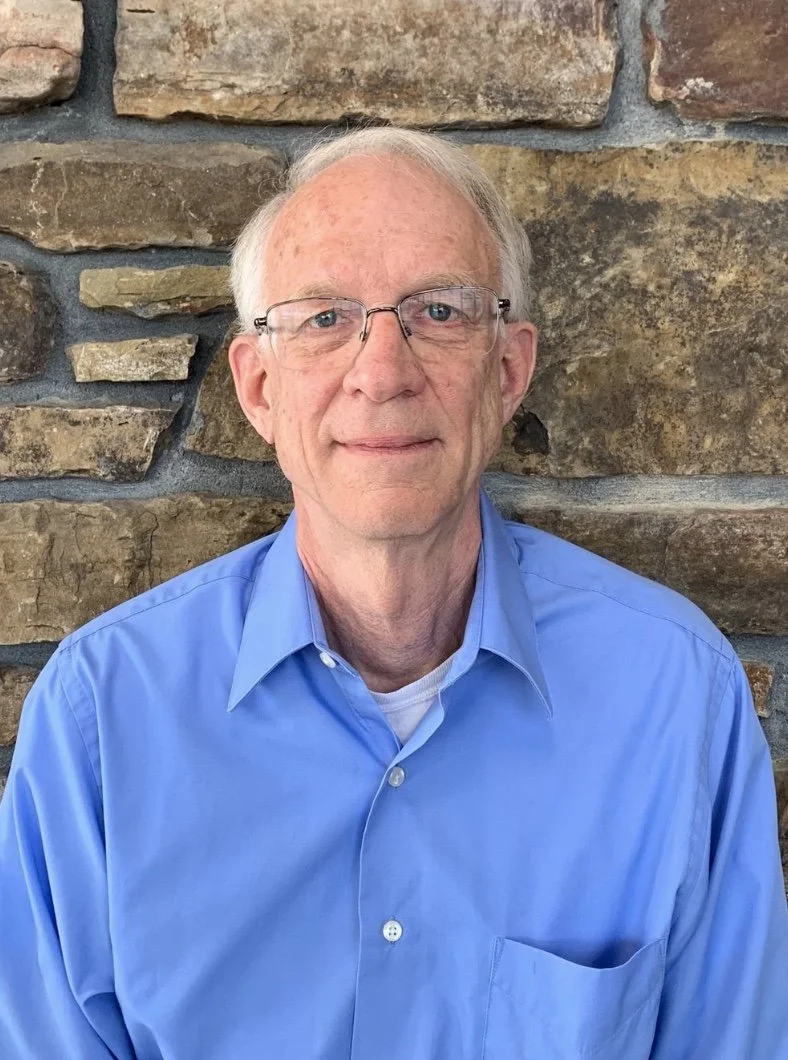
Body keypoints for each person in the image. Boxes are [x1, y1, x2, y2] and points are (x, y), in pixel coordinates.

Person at [0, 128, 786, 1059]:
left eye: (440, 312)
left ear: (508, 371)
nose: (382, 371)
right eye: (325, 317)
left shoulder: (674, 698)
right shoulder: (101, 722)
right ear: (258, 388)